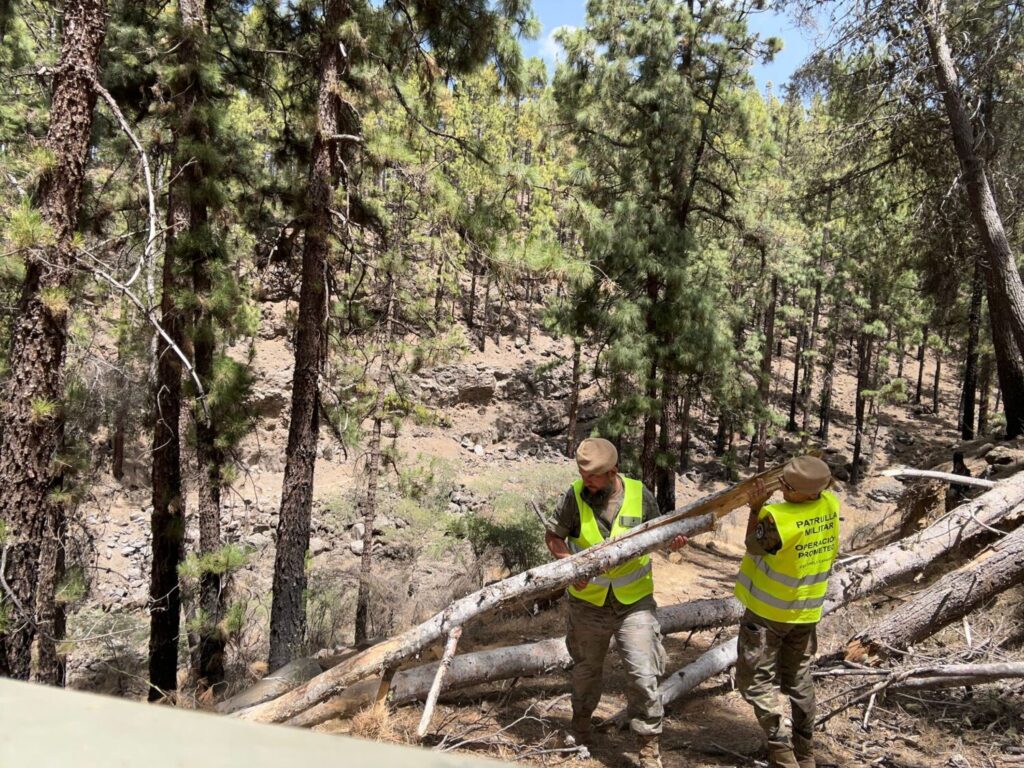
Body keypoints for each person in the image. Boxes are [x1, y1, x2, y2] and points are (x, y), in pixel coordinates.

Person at [545, 437, 687, 768]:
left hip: (633, 604)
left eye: (593, 476)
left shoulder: (640, 494)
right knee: (586, 672)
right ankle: (580, 731)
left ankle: (649, 749)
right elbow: (554, 536)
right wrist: (570, 565)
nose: (587, 482)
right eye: (582, 474)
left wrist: (675, 543)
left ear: (613, 471)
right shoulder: (574, 495)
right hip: (587, 606)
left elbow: (662, 537)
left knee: (642, 675)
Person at [734, 455, 840, 768]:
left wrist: (755, 508)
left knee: (756, 681)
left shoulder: (778, 518)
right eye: (783, 481)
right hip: (806, 613)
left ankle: (781, 753)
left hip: (768, 614)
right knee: (799, 680)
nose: (782, 488)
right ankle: (806, 755)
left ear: (807, 492)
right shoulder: (829, 505)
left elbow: (752, 545)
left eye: (788, 486)